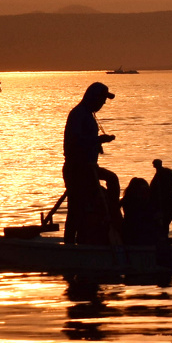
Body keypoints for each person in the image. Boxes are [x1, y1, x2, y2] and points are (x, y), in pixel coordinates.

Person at [62, 82, 117, 245]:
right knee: (76, 208)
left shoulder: (88, 114)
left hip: (90, 168)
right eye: (102, 99)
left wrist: (97, 144)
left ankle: (112, 217)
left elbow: (85, 140)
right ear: (93, 97)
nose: (103, 103)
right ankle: (70, 244)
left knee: (111, 180)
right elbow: (75, 141)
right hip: (78, 169)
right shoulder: (78, 114)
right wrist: (98, 140)